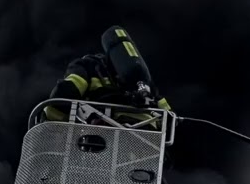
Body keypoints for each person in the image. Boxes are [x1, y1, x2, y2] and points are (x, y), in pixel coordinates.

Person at [42, 26, 172, 127]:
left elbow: (65, 94)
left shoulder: (87, 65)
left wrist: (47, 121)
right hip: (146, 142)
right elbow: (169, 117)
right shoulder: (143, 78)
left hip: (105, 139)